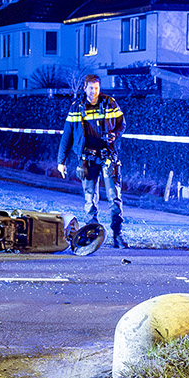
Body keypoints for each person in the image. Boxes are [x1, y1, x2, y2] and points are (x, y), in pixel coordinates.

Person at [54, 71, 127, 248]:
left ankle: (117, 235)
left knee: (114, 197)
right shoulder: (76, 107)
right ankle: (93, 234)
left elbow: (122, 124)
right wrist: (61, 161)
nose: (94, 91)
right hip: (87, 158)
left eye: (96, 88)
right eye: (91, 88)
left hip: (107, 156)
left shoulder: (110, 103)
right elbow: (67, 135)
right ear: (85, 88)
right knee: (90, 199)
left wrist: (114, 135)